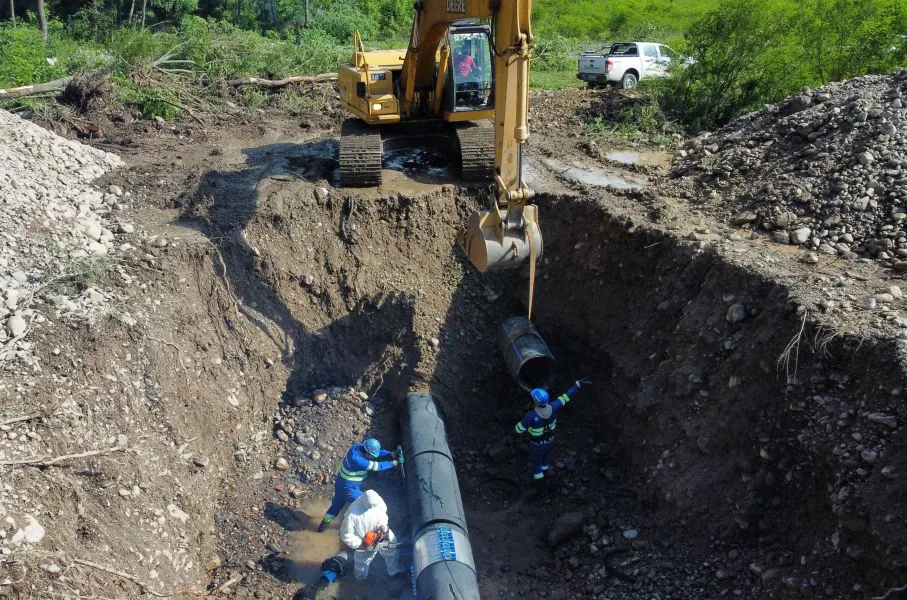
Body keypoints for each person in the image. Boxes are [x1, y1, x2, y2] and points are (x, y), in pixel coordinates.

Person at [298, 491, 404, 600]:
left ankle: (393, 571)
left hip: (380, 534)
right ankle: (360, 583)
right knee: (362, 565)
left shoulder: (377, 501)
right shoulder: (352, 514)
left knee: (392, 550)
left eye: (373, 505)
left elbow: (383, 512)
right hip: (364, 541)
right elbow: (346, 535)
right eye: (370, 505)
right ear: (364, 502)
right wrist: (361, 543)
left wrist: (383, 527)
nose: (372, 507)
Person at [318, 438, 402, 532]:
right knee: (368, 505)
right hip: (348, 490)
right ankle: (365, 529)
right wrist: (394, 463)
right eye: (371, 455)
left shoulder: (356, 448)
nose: (372, 457)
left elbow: (376, 454)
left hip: (341, 485)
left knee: (335, 507)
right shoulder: (358, 461)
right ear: (366, 453)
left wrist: (391, 454)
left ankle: (321, 529)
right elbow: (378, 466)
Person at [514, 379, 591, 480]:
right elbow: (566, 396)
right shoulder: (554, 406)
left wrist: (519, 425)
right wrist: (576, 385)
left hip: (537, 445)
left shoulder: (530, 416)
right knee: (545, 458)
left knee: (537, 463)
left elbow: (518, 430)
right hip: (550, 442)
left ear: (536, 401)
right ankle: (545, 471)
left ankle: (540, 483)